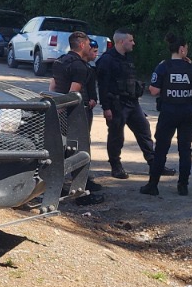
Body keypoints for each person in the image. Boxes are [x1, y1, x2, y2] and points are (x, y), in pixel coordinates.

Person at [95, 30, 158, 180]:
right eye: (131, 40)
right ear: (121, 41)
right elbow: (102, 86)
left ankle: (154, 164)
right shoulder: (107, 60)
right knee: (116, 136)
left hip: (132, 102)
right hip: (116, 104)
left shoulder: (127, 58)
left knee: (144, 130)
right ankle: (115, 166)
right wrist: (106, 108)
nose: (133, 43)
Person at [142, 34, 192, 196]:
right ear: (182, 50)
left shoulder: (163, 67)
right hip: (188, 113)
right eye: (186, 48)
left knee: (161, 149)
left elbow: (154, 91)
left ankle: (153, 185)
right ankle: (183, 186)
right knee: (185, 149)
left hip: (168, 113)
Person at [49, 31, 100, 163]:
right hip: (75, 112)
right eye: (88, 45)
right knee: (80, 143)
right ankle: (78, 171)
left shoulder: (59, 60)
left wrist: (55, 107)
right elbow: (73, 93)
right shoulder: (80, 66)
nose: (89, 47)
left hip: (59, 107)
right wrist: (64, 109)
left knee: (59, 142)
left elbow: (53, 86)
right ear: (82, 45)